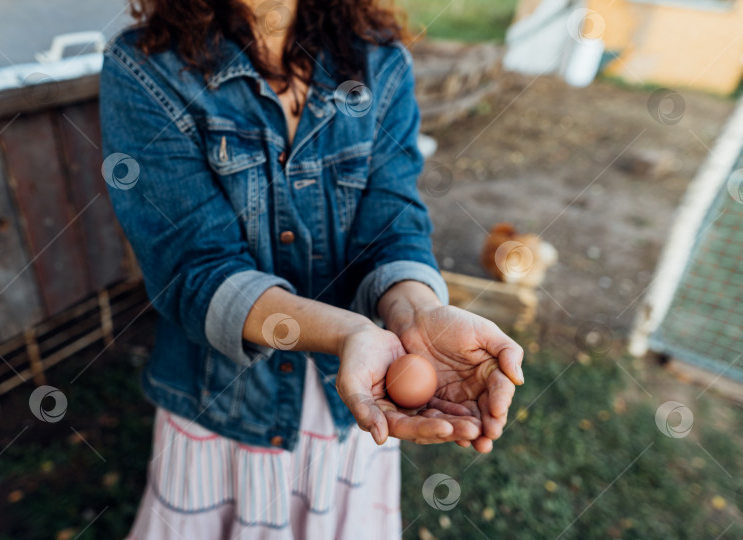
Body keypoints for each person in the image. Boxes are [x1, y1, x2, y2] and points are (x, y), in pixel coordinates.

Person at [99, 0, 524, 538]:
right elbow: (195, 269)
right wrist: (348, 334)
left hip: (354, 401)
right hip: (227, 401)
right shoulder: (144, 68)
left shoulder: (380, 64)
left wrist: (418, 315)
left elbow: (393, 227)